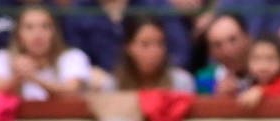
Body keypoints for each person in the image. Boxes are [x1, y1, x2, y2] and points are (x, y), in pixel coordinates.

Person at [61, 0, 193, 78]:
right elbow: (73, 55)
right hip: (101, 87)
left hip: (155, 81)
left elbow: (180, 52)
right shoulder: (77, 11)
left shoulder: (154, 3)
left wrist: (158, 70)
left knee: (181, 79)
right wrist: (88, 72)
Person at [0, 5, 91, 100]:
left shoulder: (72, 56)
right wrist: (17, 77)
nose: (38, 34)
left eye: (45, 26)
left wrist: (34, 77)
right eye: (29, 27)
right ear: (18, 34)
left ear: (54, 32)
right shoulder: (2, 57)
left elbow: (71, 93)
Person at [103, 14, 195, 91]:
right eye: (145, 45)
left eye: (160, 43)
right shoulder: (113, 85)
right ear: (128, 47)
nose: (154, 52)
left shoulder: (181, 83)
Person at [237, 34, 280, 106]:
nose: (263, 66)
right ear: (247, 62)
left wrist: (260, 92)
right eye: (256, 59)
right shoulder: (249, 83)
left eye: (270, 59)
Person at [194, 13, 251, 95]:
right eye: (218, 45)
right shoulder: (205, 78)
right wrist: (217, 95)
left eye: (233, 40)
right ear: (210, 52)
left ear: (247, 38)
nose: (227, 50)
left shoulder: (268, 70)